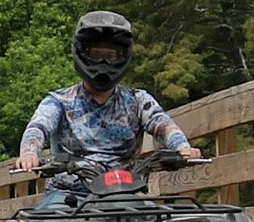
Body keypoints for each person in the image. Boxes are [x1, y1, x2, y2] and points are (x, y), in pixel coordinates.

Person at [15, 11, 196, 187]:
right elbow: (39, 126)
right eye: (95, 55)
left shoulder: (138, 100)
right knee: (47, 217)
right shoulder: (59, 101)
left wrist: (182, 148)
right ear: (82, 53)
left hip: (124, 193)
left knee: (160, 217)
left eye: (110, 56)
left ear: (122, 56)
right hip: (68, 194)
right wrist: (29, 152)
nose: (103, 63)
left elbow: (162, 124)